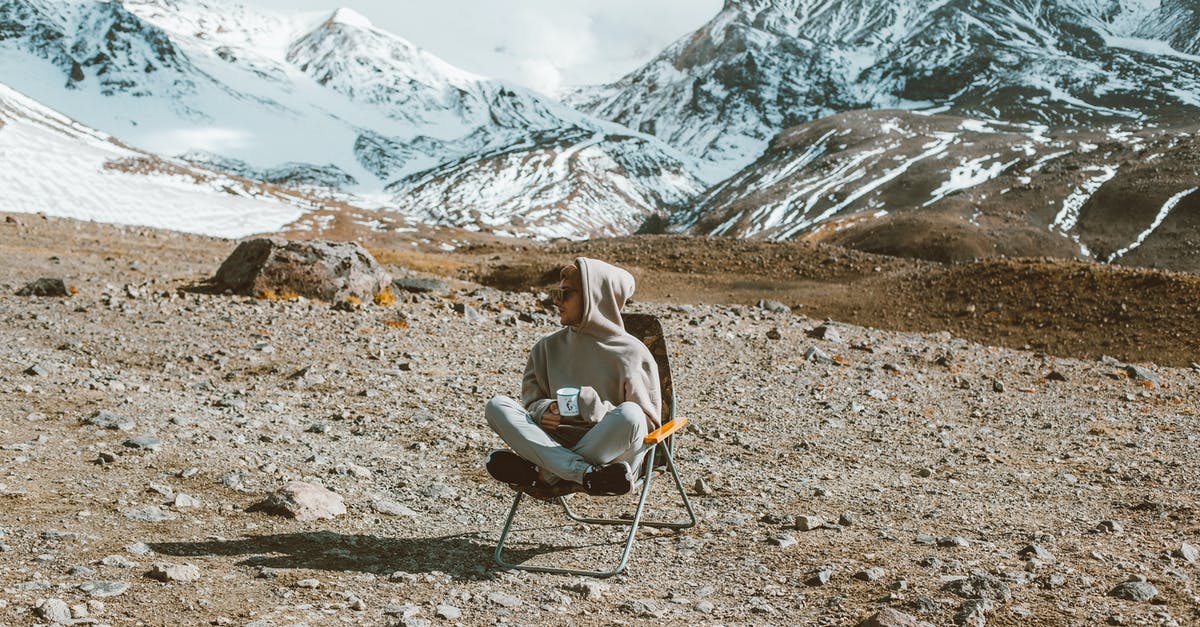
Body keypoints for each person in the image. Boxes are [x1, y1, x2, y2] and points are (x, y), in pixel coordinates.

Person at [483, 257, 661, 497]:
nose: (556, 301)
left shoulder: (633, 353)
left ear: (595, 296)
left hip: (609, 453)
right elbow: (532, 402)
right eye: (556, 292)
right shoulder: (547, 347)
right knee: (497, 405)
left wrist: (593, 408)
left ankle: (543, 474)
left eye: (566, 294)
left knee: (631, 414)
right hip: (556, 443)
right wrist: (543, 410)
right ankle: (585, 474)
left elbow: (646, 424)